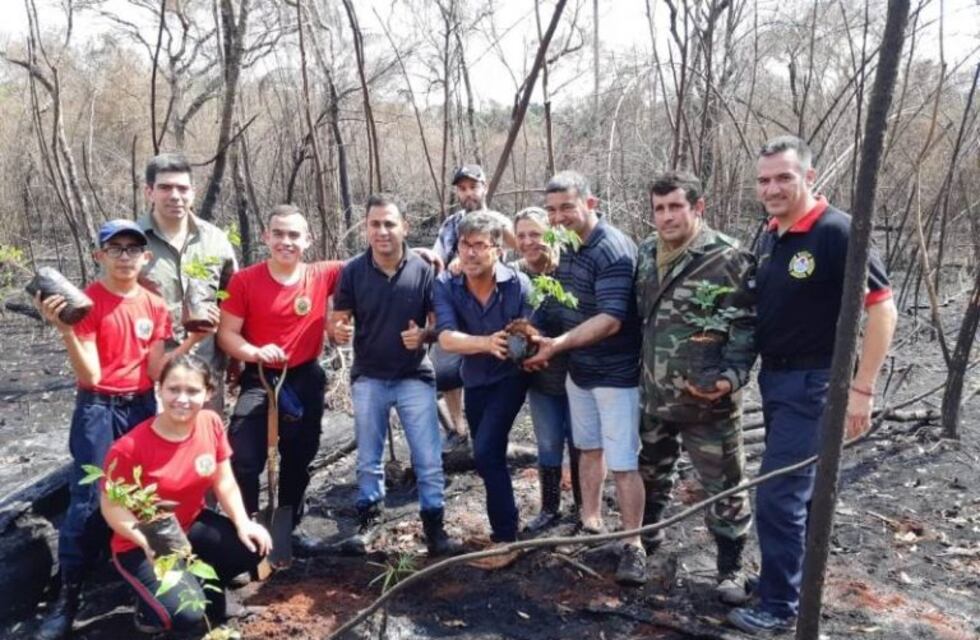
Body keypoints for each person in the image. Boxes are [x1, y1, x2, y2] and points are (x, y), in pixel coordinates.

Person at [727, 136, 897, 634]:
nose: (772, 189)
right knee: (790, 494)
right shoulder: (770, 234)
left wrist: (862, 389)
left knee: (779, 494)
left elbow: (883, 309)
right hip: (776, 379)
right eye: (764, 180)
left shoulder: (837, 232)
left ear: (809, 176)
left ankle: (780, 607)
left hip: (817, 382)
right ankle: (781, 582)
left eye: (784, 177)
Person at [34, 219, 207, 639]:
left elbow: (154, 369)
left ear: (145, 256)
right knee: (89, 501)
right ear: (100, 256)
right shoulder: (87, 303)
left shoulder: (153, 304)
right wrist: (67, 331)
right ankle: (68, 597)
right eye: (116, 248)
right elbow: (91, 375)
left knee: (147, 494)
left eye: (133, 248)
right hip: (99, 408)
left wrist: (190, 342)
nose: (125, 256)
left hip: (142, 405)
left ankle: (148, 583)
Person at [634, 171, 755, 604]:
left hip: (707, 400)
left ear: (697, 207)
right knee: (650, 473)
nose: (666, 217)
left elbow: (746, 326)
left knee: (724, 484)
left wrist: (730, 378)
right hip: (654, 394)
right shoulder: (647, 252)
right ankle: (647, 539)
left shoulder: (727, 257)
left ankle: (730, 567)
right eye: (659, 208)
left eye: (675, 207)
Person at [523, 171, 647, 586]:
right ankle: (590, 521)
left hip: (616, 375)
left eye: (567, 207)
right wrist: (530, 331)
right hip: (581, 373)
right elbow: (557, 302)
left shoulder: (612, 249)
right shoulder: (565, 245)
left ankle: (633, 545)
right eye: (552, 210)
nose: (558, 217)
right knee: (588, 449)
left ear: (590, 204)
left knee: (624, 463)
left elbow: (611, 319)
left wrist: (556, 345)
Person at [101, 355, 271, 634]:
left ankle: (204, 588)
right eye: (173, 389)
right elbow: (111, 507)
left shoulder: (210, 423)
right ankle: (148, 607)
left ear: (208, 393)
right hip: (141, 543)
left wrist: (243, 523)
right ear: (159, 390)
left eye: (192, 391)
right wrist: (148, 542)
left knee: (251, 547)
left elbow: (224, 480)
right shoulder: (129, 449)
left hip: (189, 524)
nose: (182, 399)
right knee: (187, 615)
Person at [332, 194, 459, 556]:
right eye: (375, 224)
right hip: (369, 376)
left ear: (405, 226)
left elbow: (439, 324)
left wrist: (424, 335)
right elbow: (338, 319)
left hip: (414, 375)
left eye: (390, 223)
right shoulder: (353, 271)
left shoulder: (424, 270)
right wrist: (338, 331)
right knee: (368, 460)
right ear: (366, 228)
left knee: (428, 459)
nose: (382, 231)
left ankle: (434, 527)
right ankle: (369, 522)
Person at [217, 205, 343, 527]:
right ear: (266, 236)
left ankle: (288, 530)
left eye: (294, 235)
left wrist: (420, 254)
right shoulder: (244, 280)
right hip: (260, 377)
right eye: (279, 234)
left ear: (308, 240)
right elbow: (227, 334)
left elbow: (372, 264)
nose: (286, 242)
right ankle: (246, 529)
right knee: (243, 456)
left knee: (299, 458)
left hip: (305, 376)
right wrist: (255, 352)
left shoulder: (322, 274)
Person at [433, 211, 531, 544]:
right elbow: (447, 338)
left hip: (510, 378)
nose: (471, 253)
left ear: (498, 251)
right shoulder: (447, 285)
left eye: (480, 245)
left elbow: (528, 334)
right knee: (489, 454)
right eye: (465, 244)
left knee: (486, 451)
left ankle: (506, 536)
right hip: (474, 379)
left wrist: (519, 343)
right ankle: (505, 531)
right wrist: (486, 343)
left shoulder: (517, 284)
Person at [137, 153, 238, 413]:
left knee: (205, 438)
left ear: (193, 192)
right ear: (149, 192)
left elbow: (233, 301)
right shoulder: (131, 243)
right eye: (165, 187)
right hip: (150, 376)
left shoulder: (215, 240)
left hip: (204, 370)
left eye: (182, 188)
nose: (175, 196)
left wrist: (235, 360)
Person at [431, 165, 515, 442]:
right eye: (462, 188)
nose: (468, 193)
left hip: (493, 306)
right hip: (456, 307)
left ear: (484, 187)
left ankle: (492, 432)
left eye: (473, 187)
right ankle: (459, 428)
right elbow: (437, 260)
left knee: (495, 371)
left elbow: (518, 246)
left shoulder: (498, 221)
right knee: (445, 371)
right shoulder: (450, 225)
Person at [510, 207, 581, 532]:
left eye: (535, 234)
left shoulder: (569, 269)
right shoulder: (514, 274)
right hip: (540, 380)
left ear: (550, 234)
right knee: (549, 442)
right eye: (522, 235)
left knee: (580, 443)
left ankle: (585, 507)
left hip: (579, 375)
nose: (528, 241)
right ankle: (550, 508)